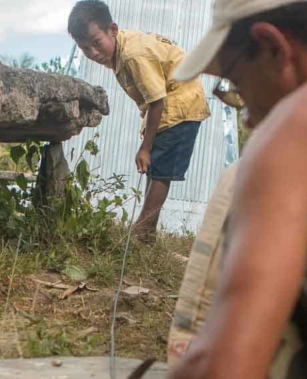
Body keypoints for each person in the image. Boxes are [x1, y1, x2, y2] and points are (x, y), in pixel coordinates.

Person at [72, 0, 307, 379]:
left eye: (234, 85)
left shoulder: (300, 125)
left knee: (280, 250)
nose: (246, 119)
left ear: (271, 46)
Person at [68, 0, 211, 243]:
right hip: (169, 103)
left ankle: (142, 230)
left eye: (96, 43)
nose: (93, 53)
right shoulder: (120, 52)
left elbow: (157, 101)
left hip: (180, 105)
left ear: (112, 30)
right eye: (84, 49)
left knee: (161, 170)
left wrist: (145, 147)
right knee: (155, 168)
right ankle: (148, 233)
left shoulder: (134, 55)